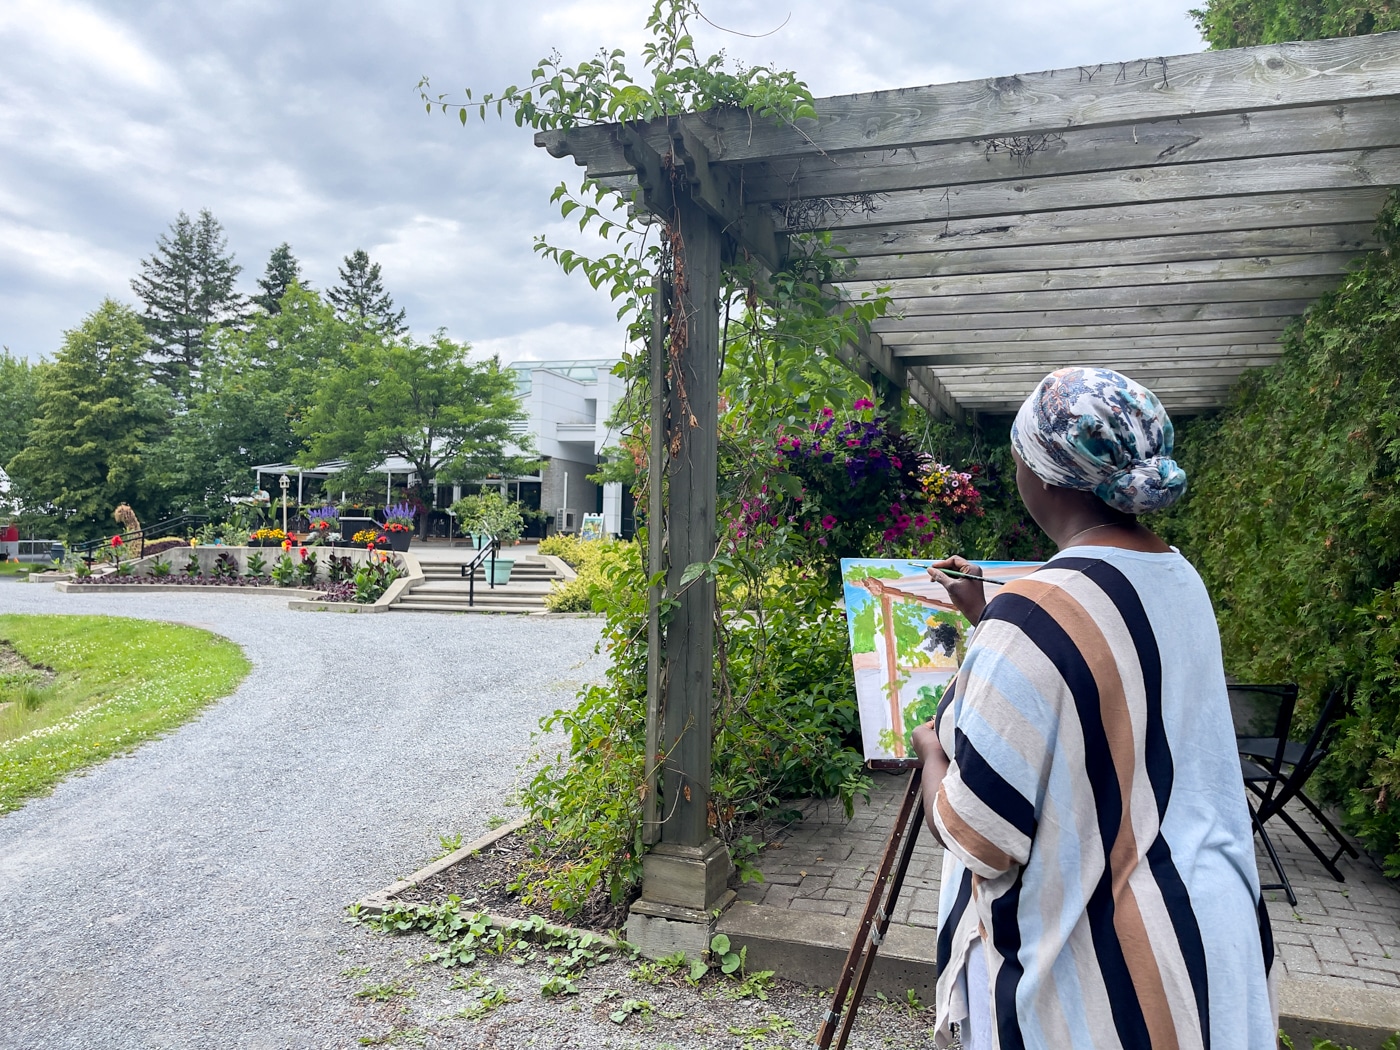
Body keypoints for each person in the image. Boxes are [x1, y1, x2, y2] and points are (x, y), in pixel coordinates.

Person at [911, 367, 1277, 1050]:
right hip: (1206, 938)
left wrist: (933, 754)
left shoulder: (1033, 611)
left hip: (1096, 973)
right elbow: (1101, 689)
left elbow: (980, 835)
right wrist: (987, 613)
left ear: (1043, 476)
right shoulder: (1179, 577)